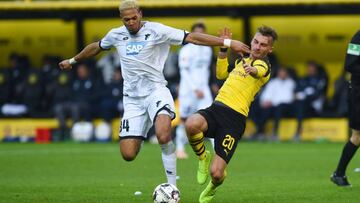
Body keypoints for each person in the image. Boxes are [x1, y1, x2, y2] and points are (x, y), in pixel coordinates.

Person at [58, 0, 249, 186]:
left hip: (156, 92)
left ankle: (172, 187)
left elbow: (192, 37)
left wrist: (228, 42)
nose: (131, 23)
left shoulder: (157, 31)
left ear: (140, 13)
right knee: (128, 154)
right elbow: (97, 47)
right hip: (132, 100)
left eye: (134, 18)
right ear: (121, 19)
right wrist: (73, 61)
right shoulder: (116, 35)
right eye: (127, 20)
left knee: (163, 134)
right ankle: (140, 131)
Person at [185, 26, 277, 202]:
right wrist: (223, 49)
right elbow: (220, 74)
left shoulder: (264, 65)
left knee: (217, 174)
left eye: (263, 45)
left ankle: (212, 187)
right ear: (251, 41)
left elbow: (260, 71)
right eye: (256, 42)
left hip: (234, 121)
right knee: (191, 124)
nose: (258, 47)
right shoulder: (239, 62)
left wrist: (252, 70)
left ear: (269, 49)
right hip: (216, 109)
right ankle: (203, 157)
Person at [176, 22, 214, 159]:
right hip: (188, 90)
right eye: (197, 33)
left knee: (211, 118)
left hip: (203, 90)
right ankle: (180, 148)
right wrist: (195, 88)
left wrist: (204, 87)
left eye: (202, 33)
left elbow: (205, 72)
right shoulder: (185, 50)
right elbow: (184, 72)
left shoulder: (208, 50)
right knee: (184, 119)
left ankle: (217, 151)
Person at [331, 30, 360, 187]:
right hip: (358, 93)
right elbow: (350, 64)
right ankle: (339, 173)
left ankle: (339, 173)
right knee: (357, 136)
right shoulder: (358, 38)